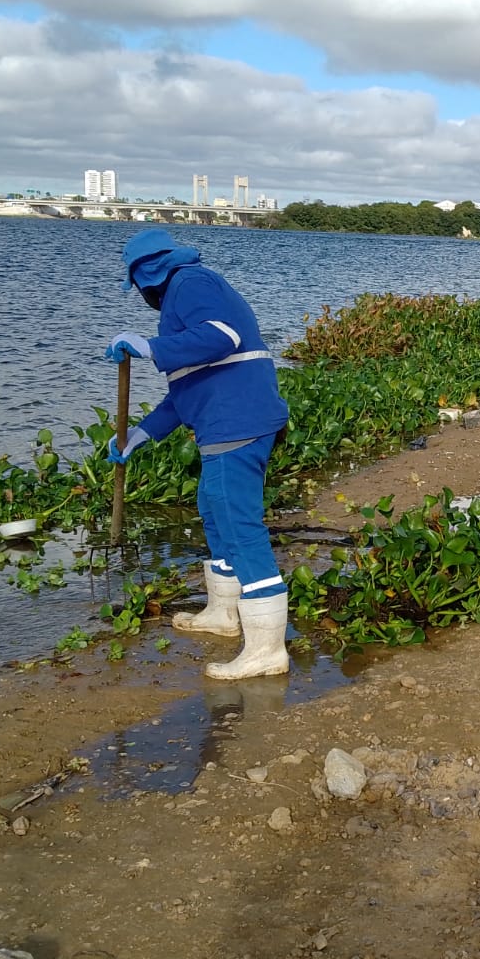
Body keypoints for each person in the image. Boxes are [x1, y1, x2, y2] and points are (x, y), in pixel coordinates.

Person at [104, 228, 291, 680]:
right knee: (214, 510)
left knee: (239, 525)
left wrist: (151, 348)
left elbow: (222, 336)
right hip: (225, 423)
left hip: (237, 422)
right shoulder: (181, 297)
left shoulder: (190, 282)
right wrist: (140, 435)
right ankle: (224, 613)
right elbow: (184, 390)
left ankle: (267, 650)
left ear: (146, 277)